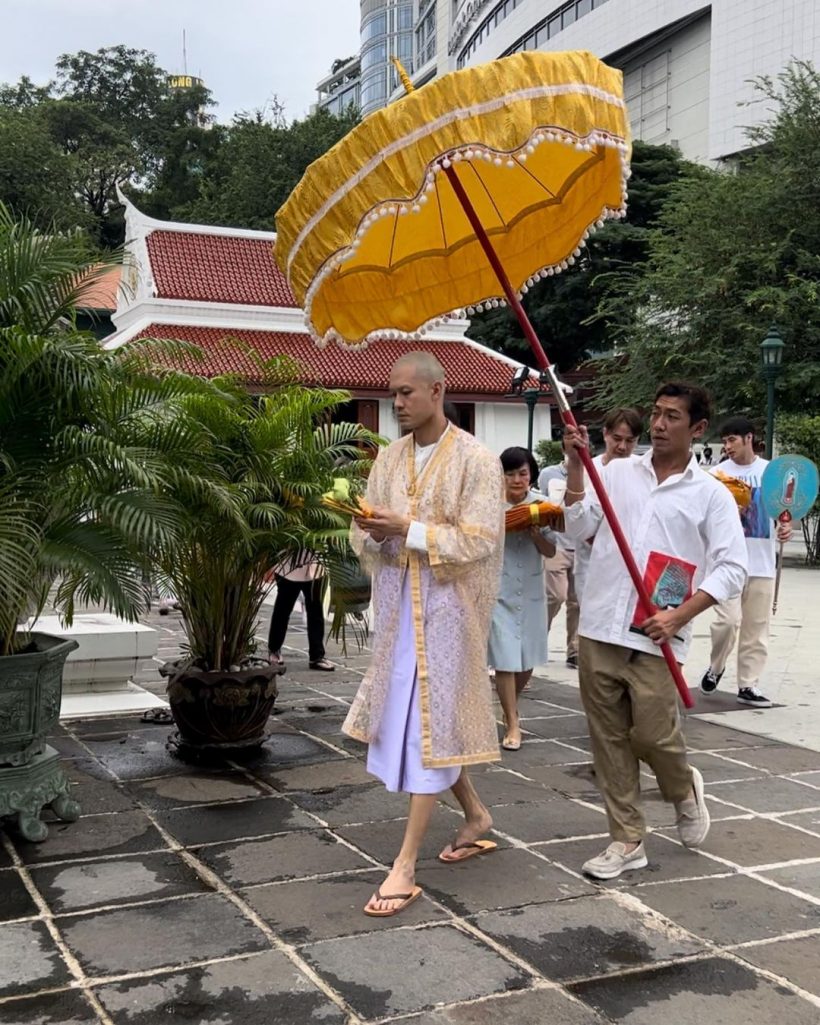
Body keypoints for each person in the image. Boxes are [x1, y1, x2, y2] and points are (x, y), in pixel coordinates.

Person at [563, 382, 747, 880]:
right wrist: (578, 468)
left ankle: (683, 788)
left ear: (699, 429)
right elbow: (577, 527)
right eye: (657, 414)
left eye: (672, 417)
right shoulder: (616, 472)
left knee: (652, 734)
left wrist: (681, 614)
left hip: (657, 632)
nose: (660, 425)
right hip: (601, 623)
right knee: (608, 740)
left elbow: (733, 567)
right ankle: (626, 839)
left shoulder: (710, 495)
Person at [345, 352, 505, 917]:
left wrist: (407, 529)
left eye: (408, 392)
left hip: (449, 617)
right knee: (420, 726)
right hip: (398, 618)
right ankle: (477, 816)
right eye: (393, 393)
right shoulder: (388, 459)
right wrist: (369, 527)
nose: (398, 403)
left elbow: (481, 538)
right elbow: (365, 531)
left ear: (438, 391)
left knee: (424, 728)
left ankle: (406, 862)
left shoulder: (477, 461)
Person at [700, 416, 792, 707]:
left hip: (763, 562)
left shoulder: (770, 473)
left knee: (756, 627)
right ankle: (716, 667)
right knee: (727, 622)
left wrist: (785, 526)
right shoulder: (715, 475)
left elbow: (783, 511)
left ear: (749, 438)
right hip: (727, 562)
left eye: (732, 440)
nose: (727, 447)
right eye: (724, 441)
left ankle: (748, 685)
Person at [488, 447, 555, 751]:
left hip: (529, 589)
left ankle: (508, 705)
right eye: (510, 473)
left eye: (523, 473)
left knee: (527, 658)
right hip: (498, 588)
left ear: (531, 475)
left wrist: (535, 533)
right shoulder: (488, 505)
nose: (516, 480)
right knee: (505, 658)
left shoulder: (543, 505)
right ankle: (512, 722)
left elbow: (552, 551)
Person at [573, 407, 642, 603]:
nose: (622, 447)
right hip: (592, 563)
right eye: (617, 438)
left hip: (632, 565)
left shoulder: (643, 470)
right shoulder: (587, 470)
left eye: (630, 441)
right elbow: (577, 517)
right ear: (605, 434)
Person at [538, 438, 579, 668]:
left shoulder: (589, 473)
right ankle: (537, 636)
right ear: (564, 448)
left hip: (581, 545)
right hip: (557, 543)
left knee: (577, 601)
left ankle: (574, 650)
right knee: (556, 595)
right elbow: (543, 503)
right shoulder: (549, 474)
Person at [267, 556, 335, 671]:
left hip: (314, 566)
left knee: (316, 612)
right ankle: (274, 649)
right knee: (282, 610)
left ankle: (317, 656)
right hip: (288, 567)